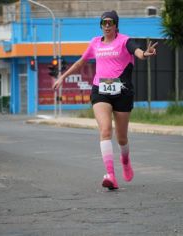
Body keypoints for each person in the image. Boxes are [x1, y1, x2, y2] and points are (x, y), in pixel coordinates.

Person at [53, 10, 157, 190]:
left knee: (122, 138)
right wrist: (62, 76)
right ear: (101, 26)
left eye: (110, 23)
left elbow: (138, 52)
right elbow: (80, 62)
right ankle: (111, 175)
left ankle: (125, 160)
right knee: (105, 130)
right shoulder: (95, 43)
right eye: (104, 23)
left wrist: (145, 54)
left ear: (116, 25)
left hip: (122, 91)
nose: (107, 26)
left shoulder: (124, 40)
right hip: (100, 90)